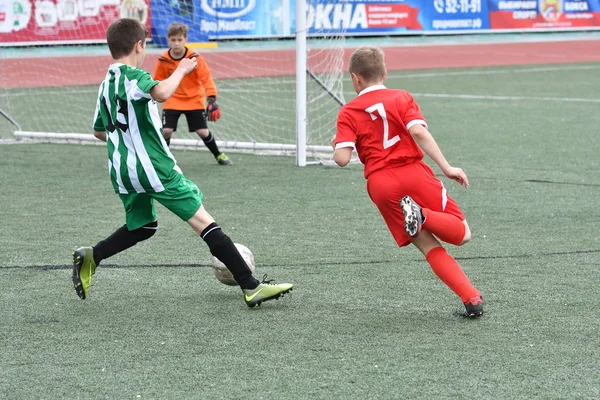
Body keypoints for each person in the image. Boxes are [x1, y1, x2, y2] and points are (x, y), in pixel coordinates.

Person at [72, 18, 292, 308]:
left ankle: (93, 255)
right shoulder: (134, 76)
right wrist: (182, 68)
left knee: (144, 226)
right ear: (139, 45)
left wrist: (129, 142)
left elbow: (99, 131)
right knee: (202, 220)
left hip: (123, 171)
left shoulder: (106, 85)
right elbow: (162, 92)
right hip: (154, 168)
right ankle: (251, 286)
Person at [331, 47, 483, 317]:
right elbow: (417, 131)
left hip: (380, 185)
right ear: (385, 73)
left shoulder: (348, 111)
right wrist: (446, 167)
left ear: (355, 79)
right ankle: (423, 215)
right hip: (413, 172)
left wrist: (336, 145)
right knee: (463, 233)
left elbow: (342, 159)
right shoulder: (401, 97)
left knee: (427, 246)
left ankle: (471, 298)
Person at [153, 22, 231, 165]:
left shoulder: (195, 58)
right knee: (166, 130)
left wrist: (212, 98)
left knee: (202, 131)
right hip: (173, 99)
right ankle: (163, 161)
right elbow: (158, 80)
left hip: (194, 99)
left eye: (179, 40)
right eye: (173, 40)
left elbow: (206, 78)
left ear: (186, 40)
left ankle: (218, 155)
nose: (176, 43)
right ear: (168, 40)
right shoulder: (163, 59)